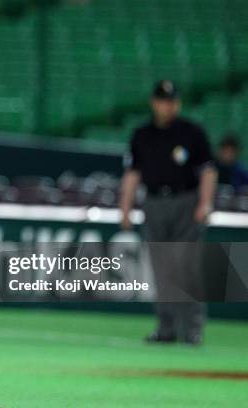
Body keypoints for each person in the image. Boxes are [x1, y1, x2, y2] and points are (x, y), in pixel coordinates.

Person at [120, 80, 217, 346]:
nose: (168, 106)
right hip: (154, 203)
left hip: (186, 200)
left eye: (172, 101)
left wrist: (205, 203)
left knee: (187, 266)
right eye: (163, 100)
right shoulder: (142, 134)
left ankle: (192, 328)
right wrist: (125, 208)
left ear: (179, 103)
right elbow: (132, 174)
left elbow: (208, 171)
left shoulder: (192, 133)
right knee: (162, 268)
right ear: (154, 102)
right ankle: (166, 327)